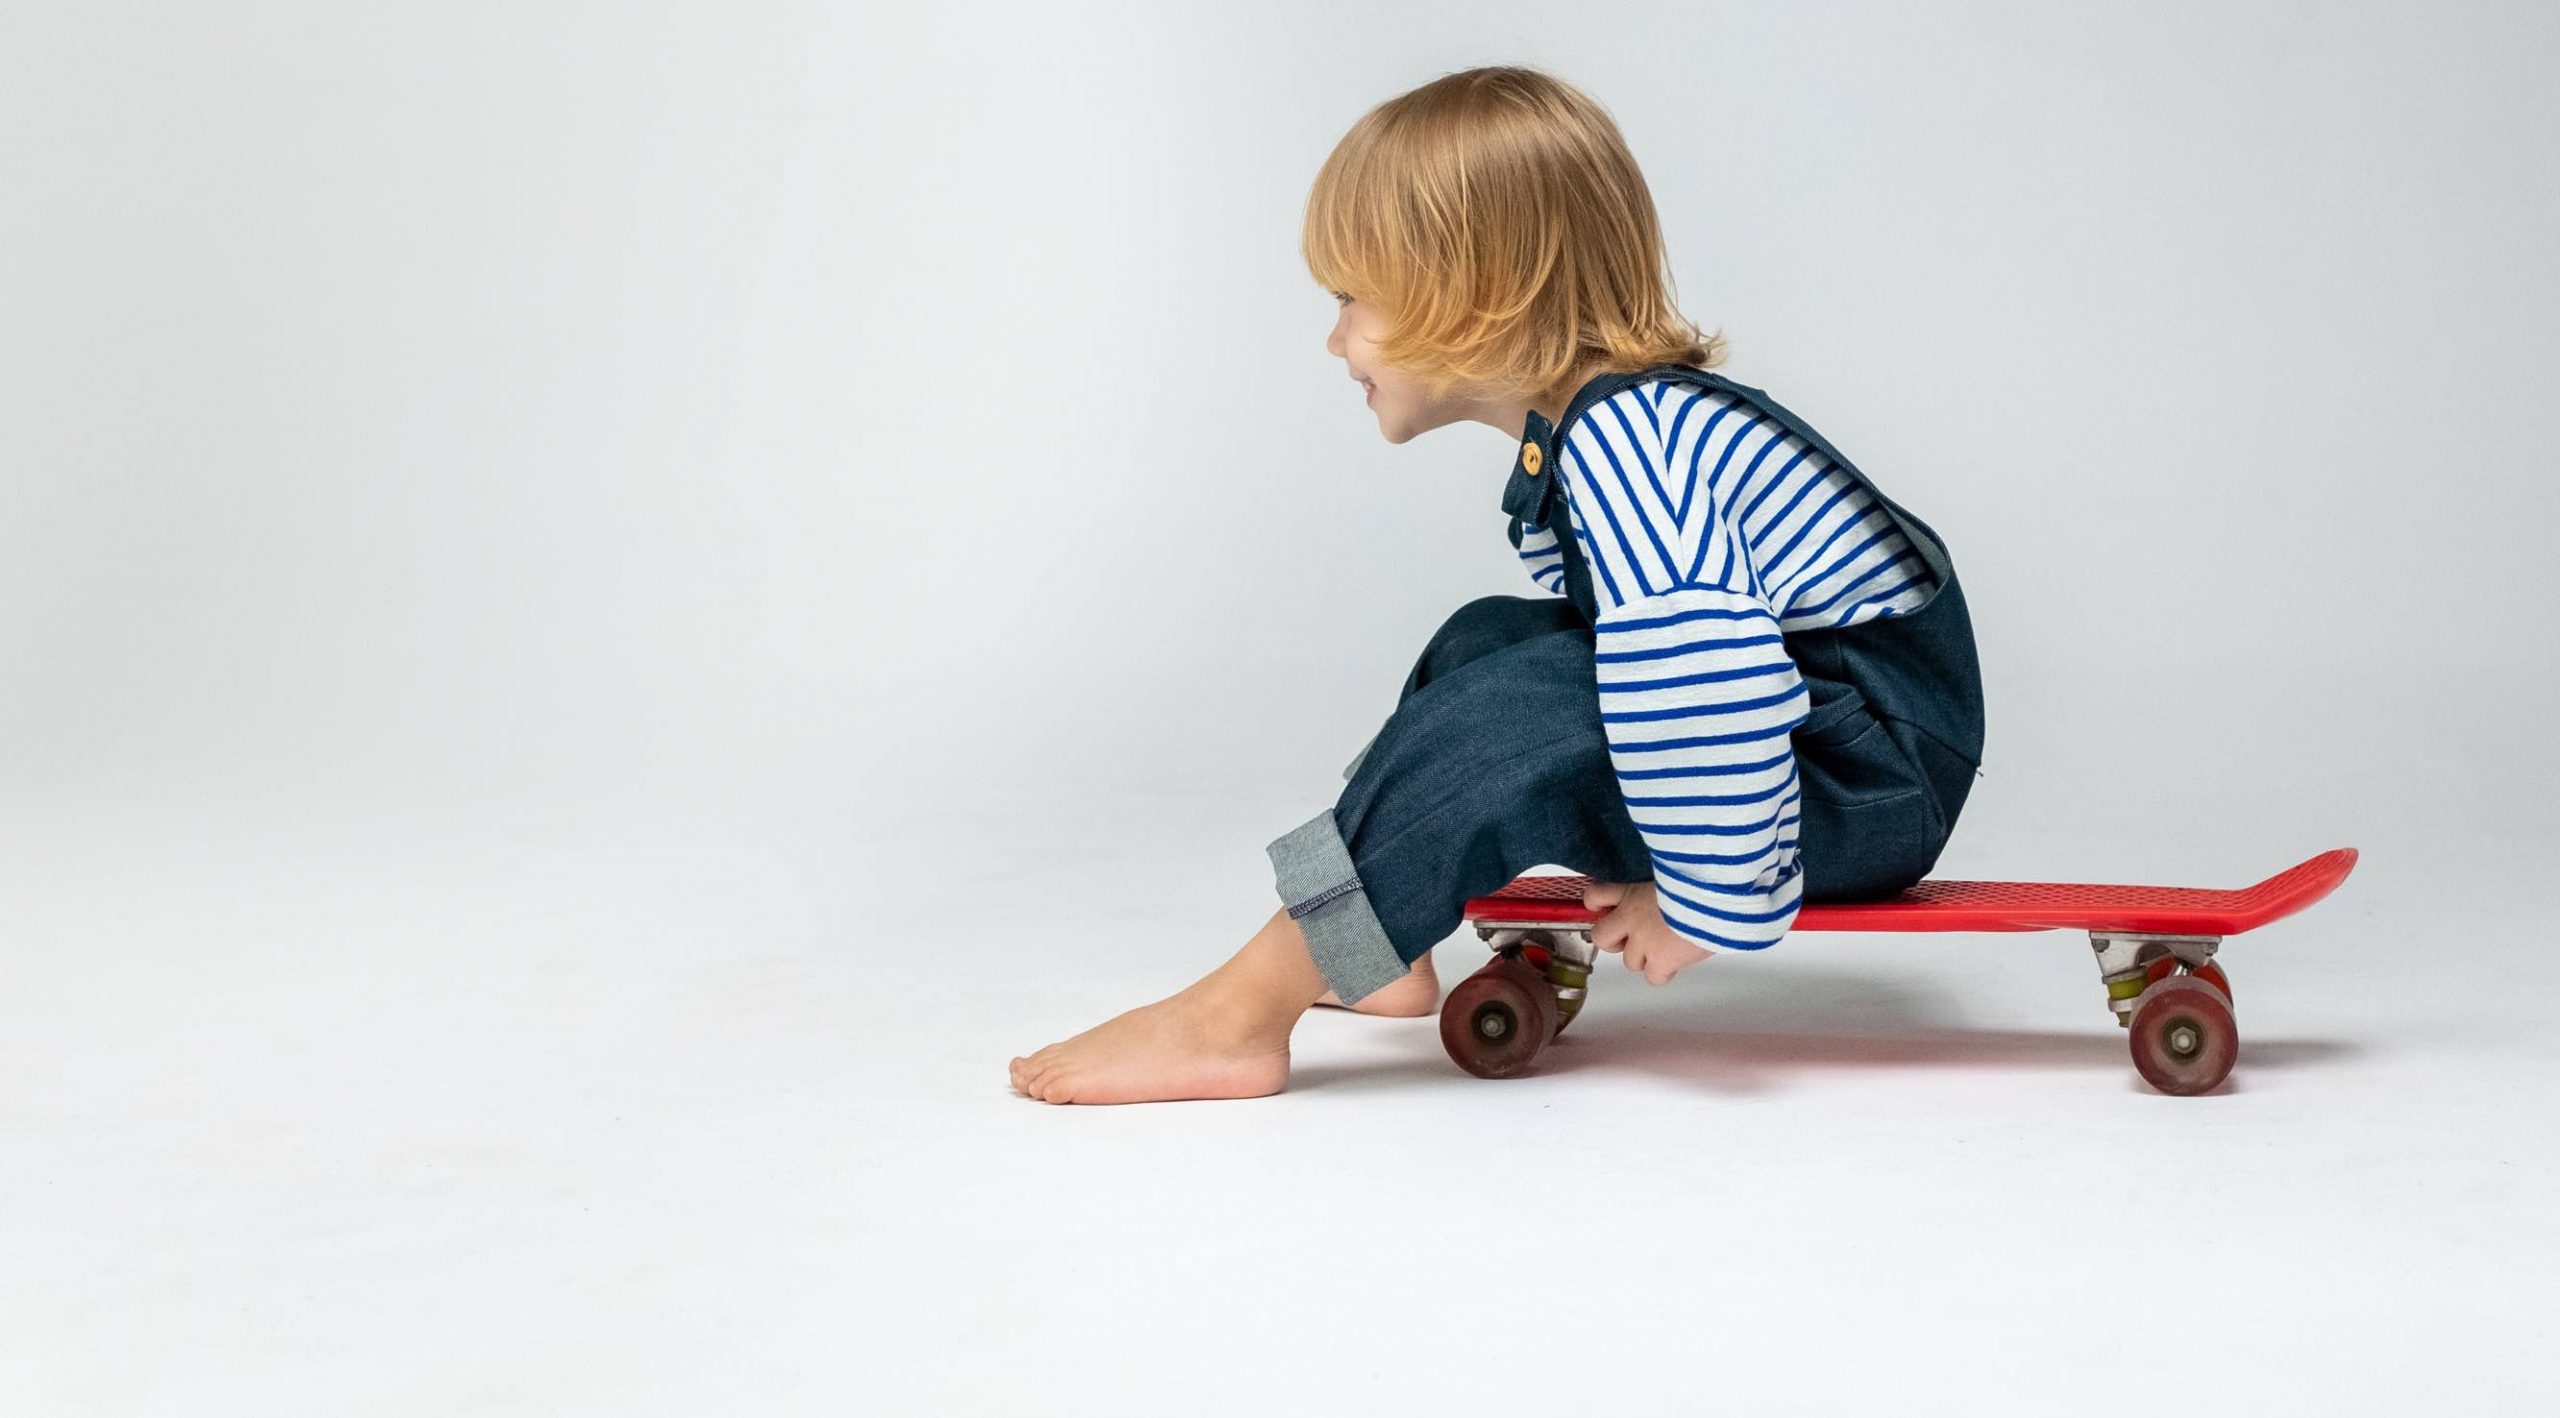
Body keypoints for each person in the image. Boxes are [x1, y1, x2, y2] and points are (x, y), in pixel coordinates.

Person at [1009, 65, 1985, 1105]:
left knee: (1511, 716)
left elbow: (1708, 681)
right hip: (1819, 750)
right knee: (1482, 646)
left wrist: (1704, 902)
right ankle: (1375, 944)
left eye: (1350, 299)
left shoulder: (1630, 442)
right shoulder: (1608, 427)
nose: (1335, 339)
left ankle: (1241, 1014)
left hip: (1859, 781)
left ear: (1471, 293)